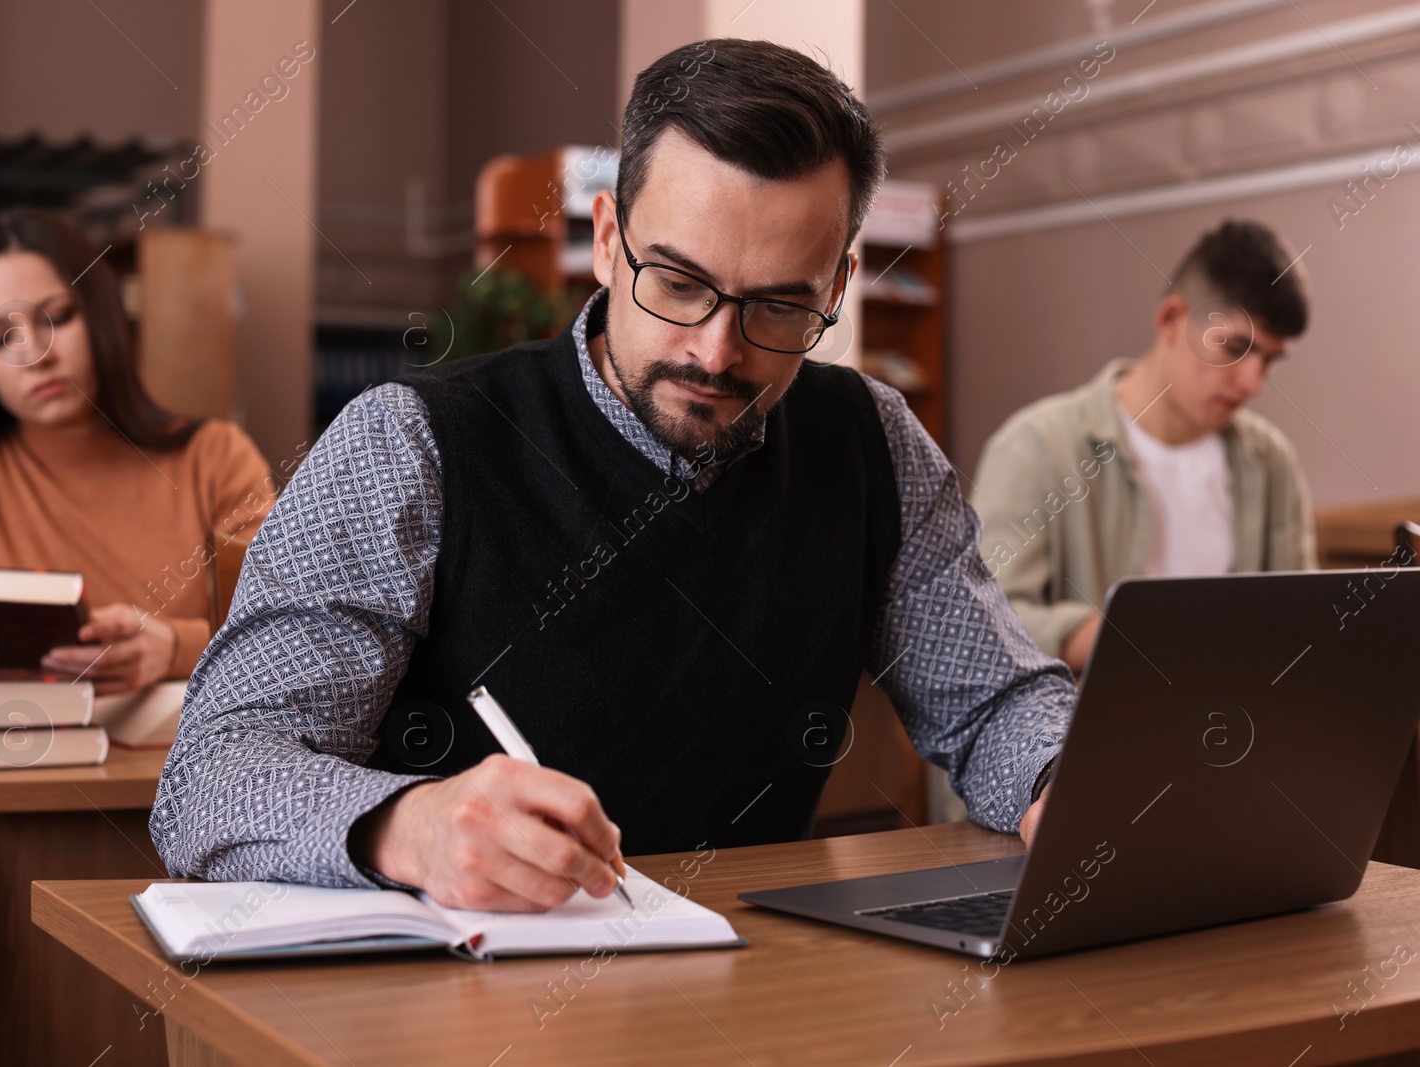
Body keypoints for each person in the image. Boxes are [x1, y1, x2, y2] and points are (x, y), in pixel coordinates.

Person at [152, 38, 1075, 912]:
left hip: (756, 979)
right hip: (456, 993)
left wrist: (1059, 779)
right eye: (676, 283)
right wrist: (406, 826)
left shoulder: (875, 441)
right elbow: (213, 775)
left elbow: (996, 701)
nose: (715, 352)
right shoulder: (410, 444)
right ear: (605, 240)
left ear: (835, 288)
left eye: (779, 307)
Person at [0, 208, 275, 721]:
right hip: (19, 777)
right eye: (1, 337)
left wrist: (173, 650)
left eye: (57, 317)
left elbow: (292, 643)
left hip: (193, 783)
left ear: (102, 315)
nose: (34, 355)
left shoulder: (215, 456)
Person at [972, 220, 1315, 674]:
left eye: (1269, 360)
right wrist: (1109, 638)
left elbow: (1301, 623)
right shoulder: (1036, 446)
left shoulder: (1271, 462)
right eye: (1234, 347)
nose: (1252, 382)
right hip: (1082, 734)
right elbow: (978, 624)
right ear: (1171, 319)